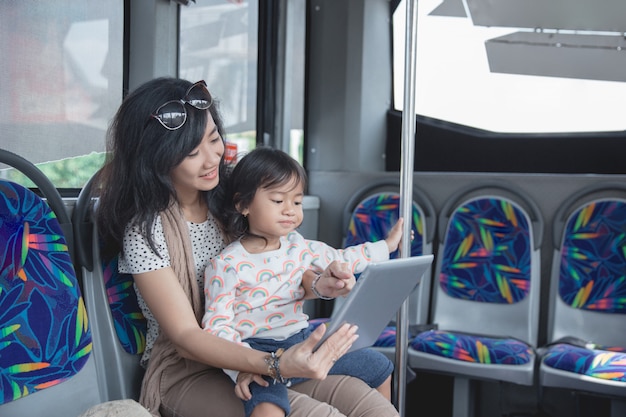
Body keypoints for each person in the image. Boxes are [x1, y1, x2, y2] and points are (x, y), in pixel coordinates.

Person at [94, 77, 401, 417]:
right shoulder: (146, 232)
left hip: (263, 344)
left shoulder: (234, 198)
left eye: (214, 139)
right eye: (192, 152)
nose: (212, 158)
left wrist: (317, 284)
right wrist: (273, 364)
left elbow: (274, 273)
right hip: (190, 371)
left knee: (373, 407)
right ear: (157, 157)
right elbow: (183, 335)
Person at [202, 147, 405, 417]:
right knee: (266, 407)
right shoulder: (226, 264)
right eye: (278, 200)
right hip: (257, 352)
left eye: (297, 202)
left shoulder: (298, 245)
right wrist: (241, 366)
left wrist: (387, 246)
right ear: (243, 204)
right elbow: (217, 327)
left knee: (379, 367)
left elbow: (342, 258)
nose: (290, 211)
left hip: (303, 341)